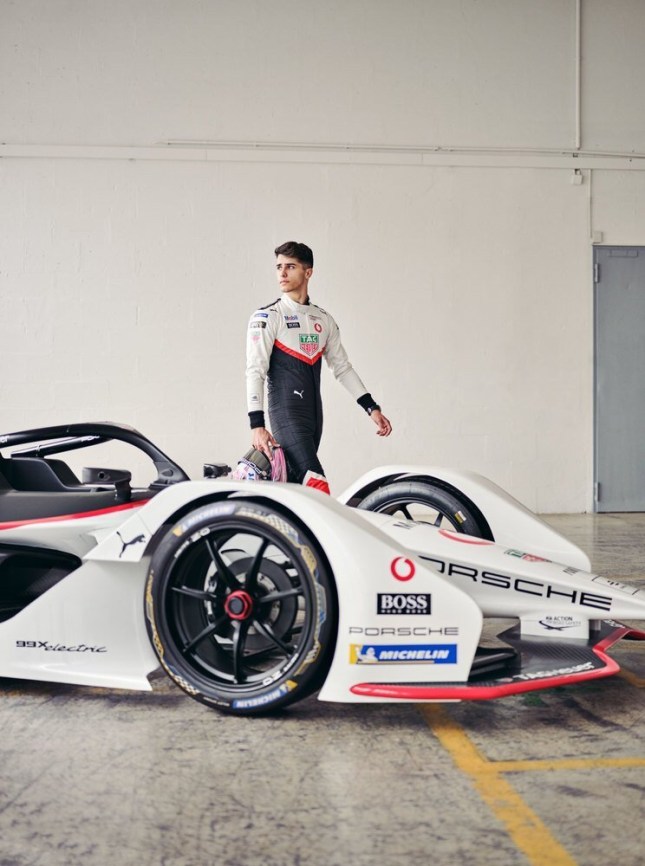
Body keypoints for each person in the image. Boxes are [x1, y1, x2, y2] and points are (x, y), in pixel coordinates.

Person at [245, 241, 392, 492]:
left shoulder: (323, 319)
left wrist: (372, 408)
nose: (282, 273)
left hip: (314, 418)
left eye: (290, 267)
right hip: (286, 415)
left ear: (308, 272)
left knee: (299, 490)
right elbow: (255, 370)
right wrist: (257, 425)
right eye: (279, 267)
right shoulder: (268, 316)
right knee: (316, 485)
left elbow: (342, 368)